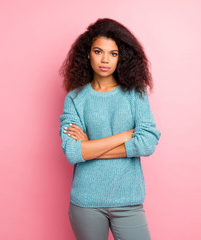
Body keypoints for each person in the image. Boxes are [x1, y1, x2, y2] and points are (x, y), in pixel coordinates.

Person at [58, 18, 161, 240]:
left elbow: (147, 142)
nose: (105, 59)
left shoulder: (136, 93)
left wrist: (89, 148)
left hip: (128, 201)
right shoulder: (75, 99)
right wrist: (125, 135)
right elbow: (73, 152)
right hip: (86, 202)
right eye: (98, 51)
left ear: (121, 57)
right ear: (87, 54)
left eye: (113, 54)